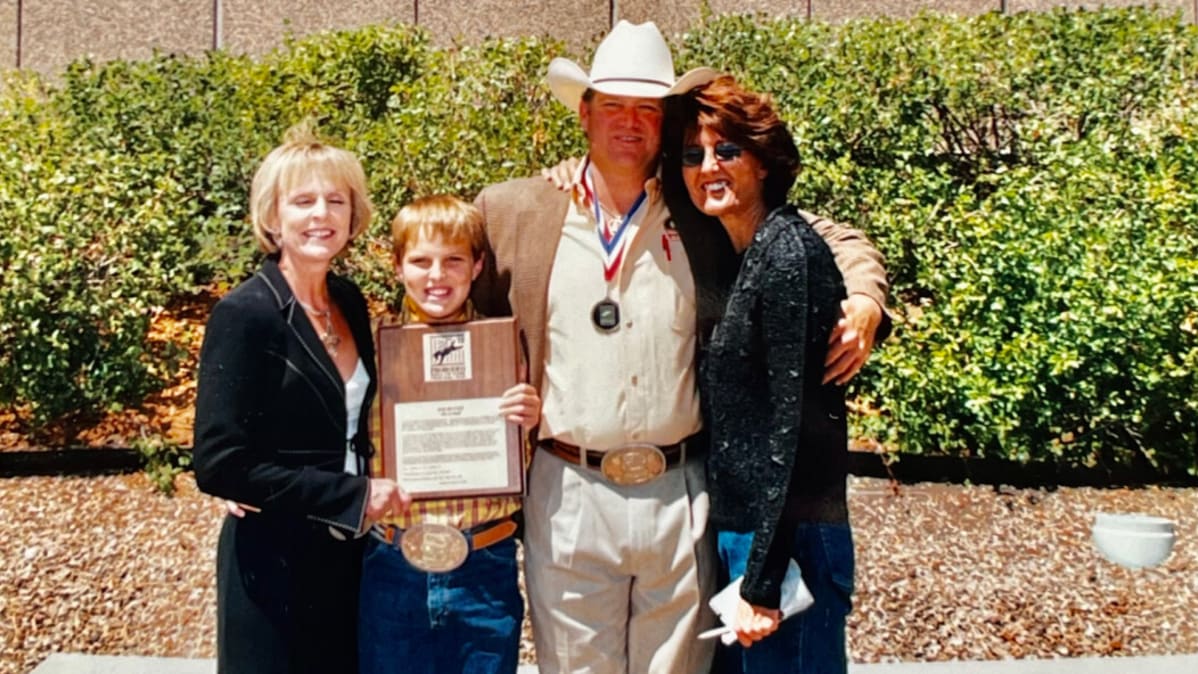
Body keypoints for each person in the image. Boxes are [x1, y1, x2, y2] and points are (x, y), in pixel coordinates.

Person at [470, 21, 889, 674]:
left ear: (665, 121)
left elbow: (817, 234)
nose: (629, 122)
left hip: (681, 490)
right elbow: (437, 283)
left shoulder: (700, 205)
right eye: (613, 104)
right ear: (584, 112)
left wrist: (863, 299)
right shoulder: (515, 212)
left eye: (647, 108)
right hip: (568, 485)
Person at [192, 130, 410, 674]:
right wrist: (351, 495)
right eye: (303, 201)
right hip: (274, 560)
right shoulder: (245, 315)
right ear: (273, 217)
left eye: (336, 201)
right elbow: (219, 463)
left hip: (350, 558)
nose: (322, 215)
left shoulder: (348, 301)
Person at [663, 73, 857, 673]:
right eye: (694, 155)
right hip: (748, 532)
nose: (708, 167)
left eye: (727, 150)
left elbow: (797, 431)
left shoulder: (788, 256)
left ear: (765, 161)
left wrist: (764, 581)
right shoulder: (745, 251)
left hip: (788, 538)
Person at [357, 194, 541, 674]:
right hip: (394, 563)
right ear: (397, 266)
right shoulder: (374, 349)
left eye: (453, 260)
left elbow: (526, 452)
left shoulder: (504, 348)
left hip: (485, 565)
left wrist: (533, 417)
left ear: (477, 266)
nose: (436, 276)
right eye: (420, 261)